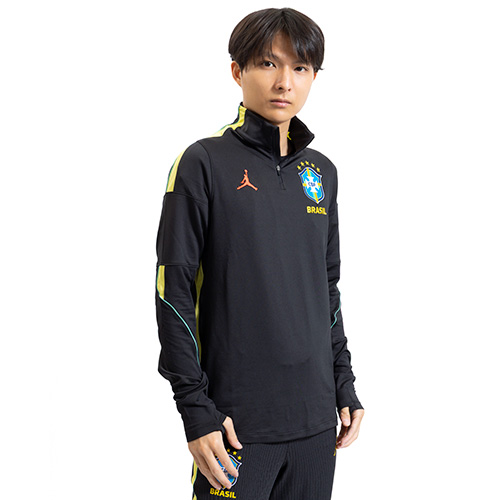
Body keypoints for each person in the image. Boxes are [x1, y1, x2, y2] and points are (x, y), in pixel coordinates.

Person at [155, 7, 365, 499]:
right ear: (238, 71)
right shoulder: (202, 162)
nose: (284, 82)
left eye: (300, 68)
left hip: (316, 426)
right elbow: (172, 293)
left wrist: (344, 382)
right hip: (235, 426)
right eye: (269, 64)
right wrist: (195, 410)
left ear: (313, 77)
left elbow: (326, 288)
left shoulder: (322, 173)